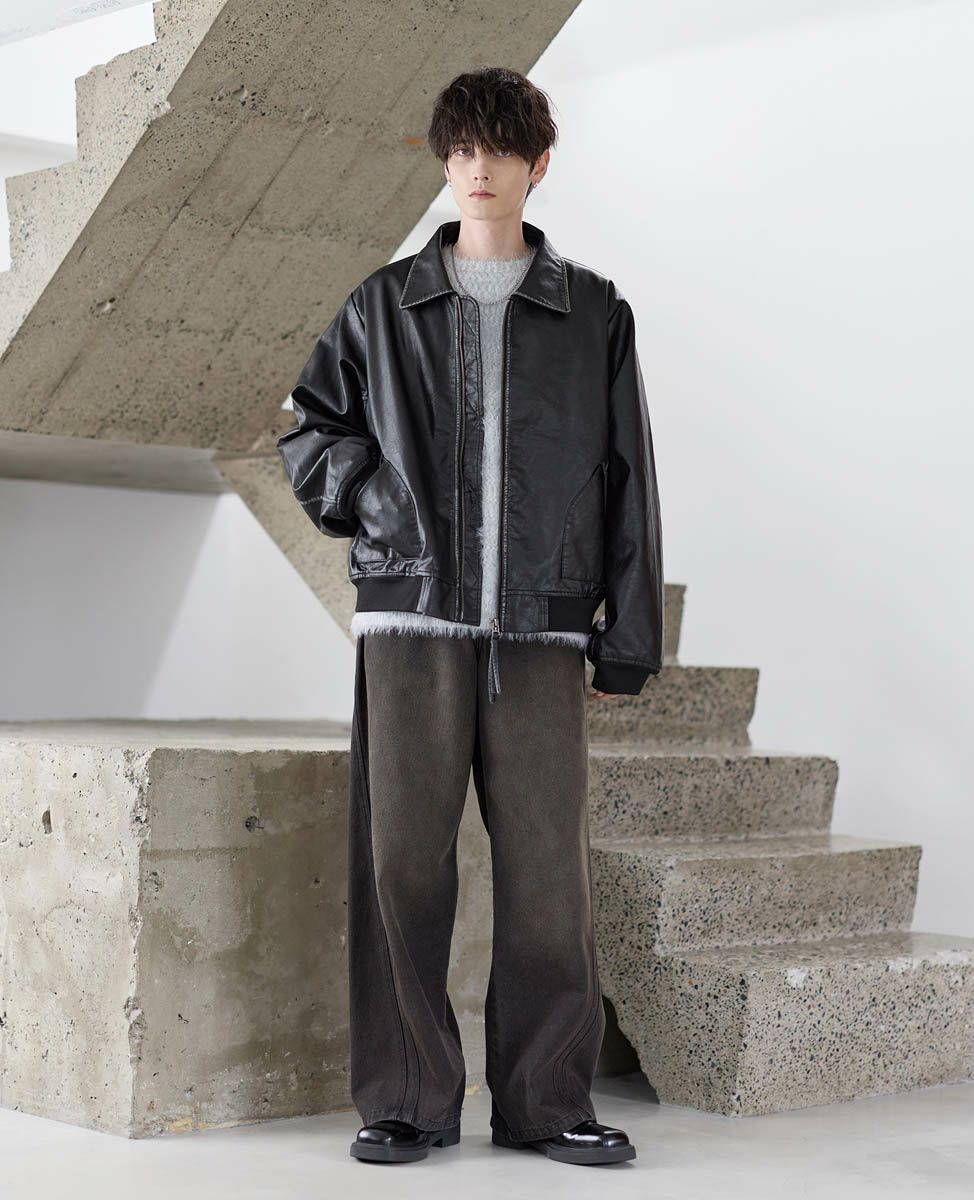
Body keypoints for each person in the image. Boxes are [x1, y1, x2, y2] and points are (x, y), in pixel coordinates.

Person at [276, 66, 663, 1167]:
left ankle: (546, 1101)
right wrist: (377, 499)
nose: (476, 169)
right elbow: (310, 428)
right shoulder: (383, 302)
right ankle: (407, 1096)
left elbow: (630, 473)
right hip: (410, 626)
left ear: (538, 165)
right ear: (444, 163)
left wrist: (627, 637)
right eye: (459, 151)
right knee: (403, 865)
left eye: (497, 150)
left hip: (542, 629)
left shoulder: (593, 310)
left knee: (548, 876)